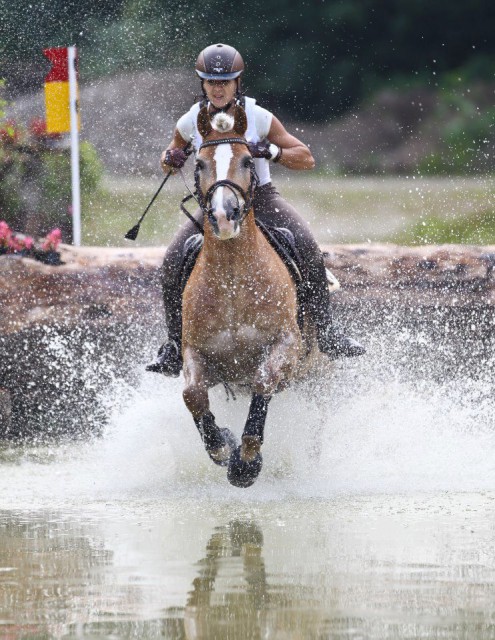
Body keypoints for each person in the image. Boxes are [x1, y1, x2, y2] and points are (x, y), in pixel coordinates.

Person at [147, 43, 365, 376]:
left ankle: (327, 331)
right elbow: (168, 160)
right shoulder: (191, 120)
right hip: (215, 204)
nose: (218, 89)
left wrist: (273, 151)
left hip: (261, 199)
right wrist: (170, 158)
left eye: (226, 82)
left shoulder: (258, 116)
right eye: (211, 82)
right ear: (202, 83)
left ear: (237, 82)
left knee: (306, 245)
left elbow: (306, 158)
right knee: (172, 260)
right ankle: (174, 347)